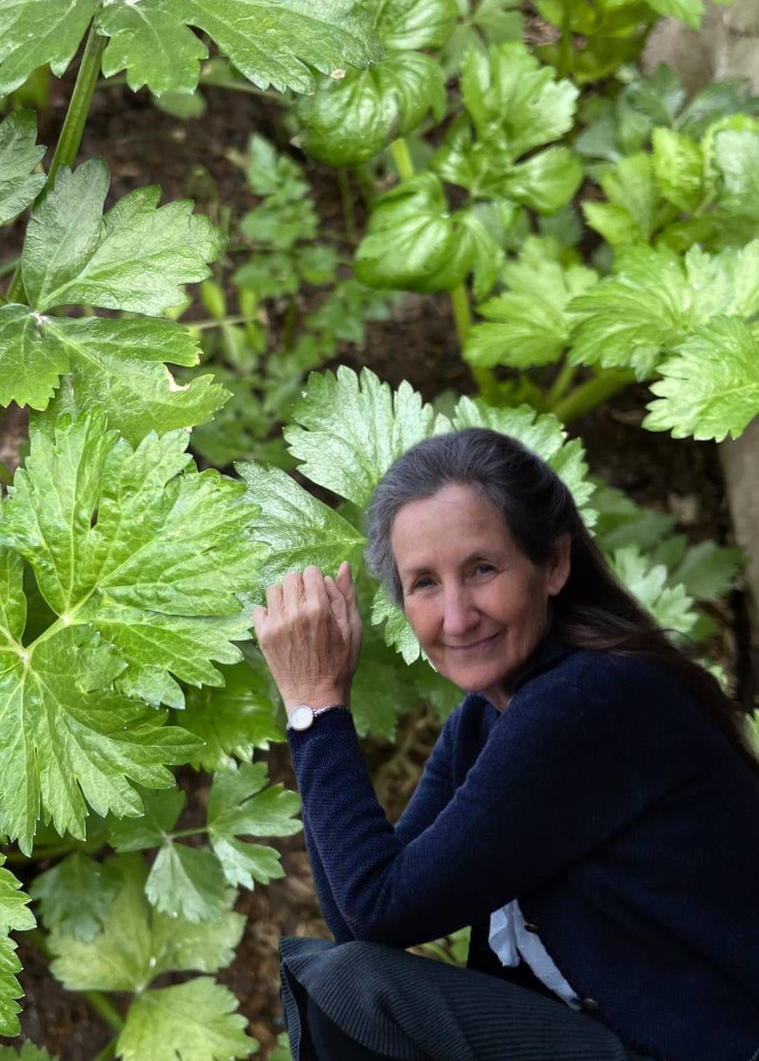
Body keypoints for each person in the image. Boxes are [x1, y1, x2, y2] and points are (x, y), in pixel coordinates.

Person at [253, 427, 759, 1061]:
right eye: (425, 585)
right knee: (349, 980)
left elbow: (378, 916)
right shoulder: (487, 717)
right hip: (616, 1035)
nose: (458, 617)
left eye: (482, 569)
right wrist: (313, 712)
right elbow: (363, 920)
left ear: (554, 565)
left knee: (356, 988)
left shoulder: (593, 701)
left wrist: (317, 705)